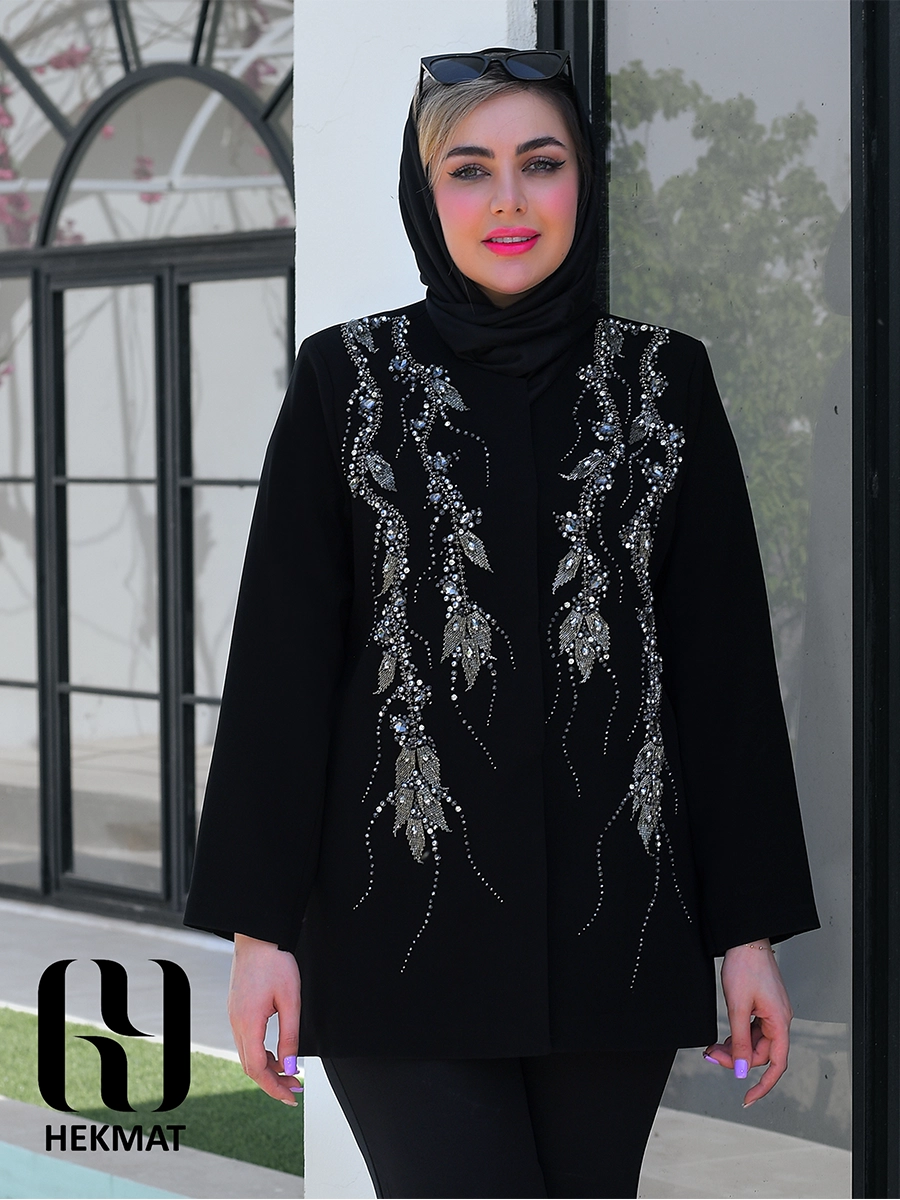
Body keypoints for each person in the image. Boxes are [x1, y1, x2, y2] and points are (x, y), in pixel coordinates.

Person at [184, 47, 819, 1199]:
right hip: (394, 939)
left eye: (542, 162)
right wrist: (256, 935)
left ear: (585, 180)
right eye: (470, 170)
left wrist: (749, 936)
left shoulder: (664, 383)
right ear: (426, 194)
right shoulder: (345, 384)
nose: (510, 200)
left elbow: (723, 679)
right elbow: (283, 675)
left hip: (617, 942)